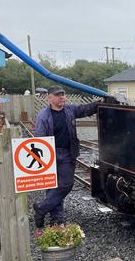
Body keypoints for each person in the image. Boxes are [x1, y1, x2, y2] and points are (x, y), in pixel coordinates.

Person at [32, 85, 103, 227]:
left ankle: (41, 207)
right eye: (58, 95)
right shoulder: (43, 116)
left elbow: (85, 109)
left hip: (66, 153)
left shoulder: (70, 110)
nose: (61, 97)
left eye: (63, 94)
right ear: (50, 97)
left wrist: (100, 102)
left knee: (66, 184)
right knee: (52, 185)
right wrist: (43, 158)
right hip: (50, 153)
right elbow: (40, 139)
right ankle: (56, 217)